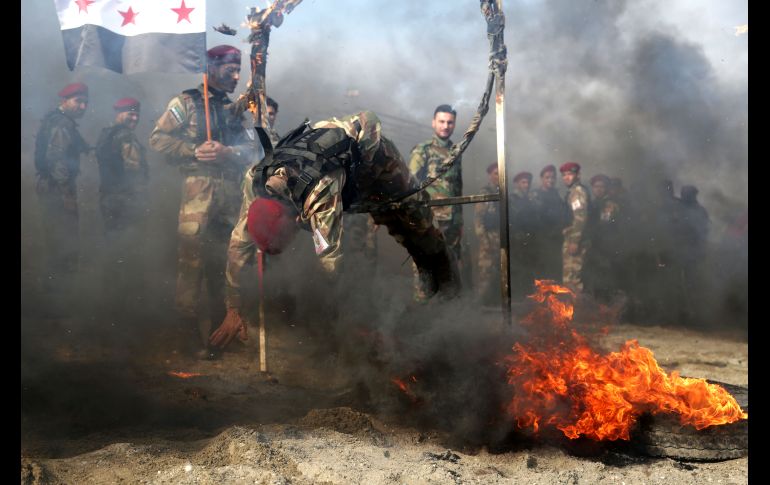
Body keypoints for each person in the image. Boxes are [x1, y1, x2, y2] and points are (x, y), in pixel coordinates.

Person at [209, 111, 460, 349]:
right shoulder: (256, 182)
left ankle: (451, 293)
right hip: (342, 172)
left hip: (376, 159)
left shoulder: (319, 195)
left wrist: (353, 322)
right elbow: (237, 246)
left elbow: (331, 262)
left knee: (417, 223)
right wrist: (233, 307)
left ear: (296, 220)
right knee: (390, 220)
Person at [149, 45, 257, 359]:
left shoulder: (237, 109)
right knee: (192, 260)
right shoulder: (185, 103)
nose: (237, 77)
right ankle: (185, 337)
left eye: (239, 70)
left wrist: (230, 153)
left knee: (225, 261)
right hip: (197, 190)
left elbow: (253, 149)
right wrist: (192, 150)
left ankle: (220, 335)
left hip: (230, 191)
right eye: (229, 70)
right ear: (211, 67)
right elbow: (157, 139)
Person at [34, 82, 90, 308]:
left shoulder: (58, 121)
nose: (83, 106)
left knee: (57, 244)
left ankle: (55, 299)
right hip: (57, 191)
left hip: (51, 189)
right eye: (78, 101)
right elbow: (57, 159)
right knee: (64, 245)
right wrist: (67, 193)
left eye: (85, 102)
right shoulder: (62, 124)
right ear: (64, 101)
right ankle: (57, 303)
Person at [95, 97, 149, 313]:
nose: (134, 118)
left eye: (136, 114)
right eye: (130, 113)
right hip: (125, 200)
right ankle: (124, 300)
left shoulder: (105, 133)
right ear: (118, 112)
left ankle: (111, 297)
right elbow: (134, 169)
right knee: (127, 248)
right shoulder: (125, 136)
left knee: (113, 245)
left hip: (108, 198)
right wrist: (142, 198)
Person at [408, 104, 464, 300]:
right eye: (441, 121)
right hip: (430, 221)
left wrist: (459, 221)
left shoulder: (457, 150)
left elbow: (457, 188)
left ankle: (447, 315)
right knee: (425, 265)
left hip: (453, 224)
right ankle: (423, 311)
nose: (446, 126)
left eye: (450, 122)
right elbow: (410, 185)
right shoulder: (423, 150)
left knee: (452, 267)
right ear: (433, 123)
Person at [584, 174, 621, 301]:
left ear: (606, 188)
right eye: (596, 186)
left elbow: (604, 225)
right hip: (594, 247)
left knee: (605, 279)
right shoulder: (593, 203)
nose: (598, 189)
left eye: (602, 186)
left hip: (605, 247)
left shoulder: (609, 205)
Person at [530, 164, 567, 283]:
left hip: (555, 239)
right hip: (541, 240)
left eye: (552, 178)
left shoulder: (556, 195)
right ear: (542, 179)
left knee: (555, 271)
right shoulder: (535, 195)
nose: (550, 180)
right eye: (547, 177)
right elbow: (536, 218)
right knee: (542, 273)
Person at [560, 162, 591, 293]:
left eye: (570, 174)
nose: (566, 177)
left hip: (576, 239)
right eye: (564, 175)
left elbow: (580, 217)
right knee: (571, 278)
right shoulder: (573, 191)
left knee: (572, 279)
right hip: (573, 237)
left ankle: (576, 310)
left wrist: (574, 242)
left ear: (577, 175)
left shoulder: (577, 192)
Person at [474, 163, 500, 303]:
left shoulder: (501, 191)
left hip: (500, 239)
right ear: (490, 175)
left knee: (499, 275)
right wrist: (485, 242)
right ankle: (480, 305)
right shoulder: (485, 192)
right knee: (486, 274)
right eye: (496, 173)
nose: (498, 176)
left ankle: (493, 303)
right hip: (488, 240)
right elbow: (479, 220)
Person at [509, 171, 537, 299]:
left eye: (528, 182)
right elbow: (512, 221)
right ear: (517, 184)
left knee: (528, 273)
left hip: (529, 242)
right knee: (518, 272)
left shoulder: (530, 199)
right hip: (517, 242)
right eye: (523, 182)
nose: (526, 185)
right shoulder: (512, 199)